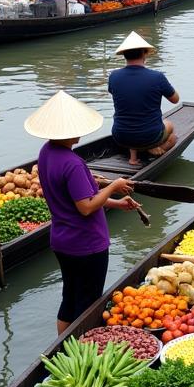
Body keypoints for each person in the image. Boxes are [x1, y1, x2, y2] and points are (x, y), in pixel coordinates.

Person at [27, 91, 139, 334]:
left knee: (70, 297)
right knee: (89, 304)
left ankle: (61, 347)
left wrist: (118, 203)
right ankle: (82, 352)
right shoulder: (72, 163)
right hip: (86, 245)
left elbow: (79, 198)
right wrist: (114, 186)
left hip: (62, 241)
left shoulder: (46, 153)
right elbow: (86, 207)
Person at [108, 32, 179, 166]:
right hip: (150, 136)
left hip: (120, 136)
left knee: (131, 115)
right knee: (171, 129)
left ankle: (133, 158)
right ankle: (155, 149)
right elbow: (175, 99)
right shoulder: (157, 77)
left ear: (124, 55)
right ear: (145, 53)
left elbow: (123, 98)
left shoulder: (113, 76)